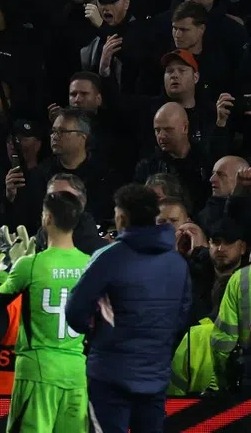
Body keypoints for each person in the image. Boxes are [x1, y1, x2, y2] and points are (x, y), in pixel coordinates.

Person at [67, 184, 192, 433]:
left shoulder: (107, 258)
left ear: (121, 217)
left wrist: (97, 335)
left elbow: (75, 312)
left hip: (109, 377)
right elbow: (182, 316)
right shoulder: (177, 262)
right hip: (155, 377)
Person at [0, 191, 89, 433]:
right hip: (77, 375)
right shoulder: (90, 264)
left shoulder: (30, 264)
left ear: (47, 218)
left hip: (38, 371)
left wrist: (6, 267)